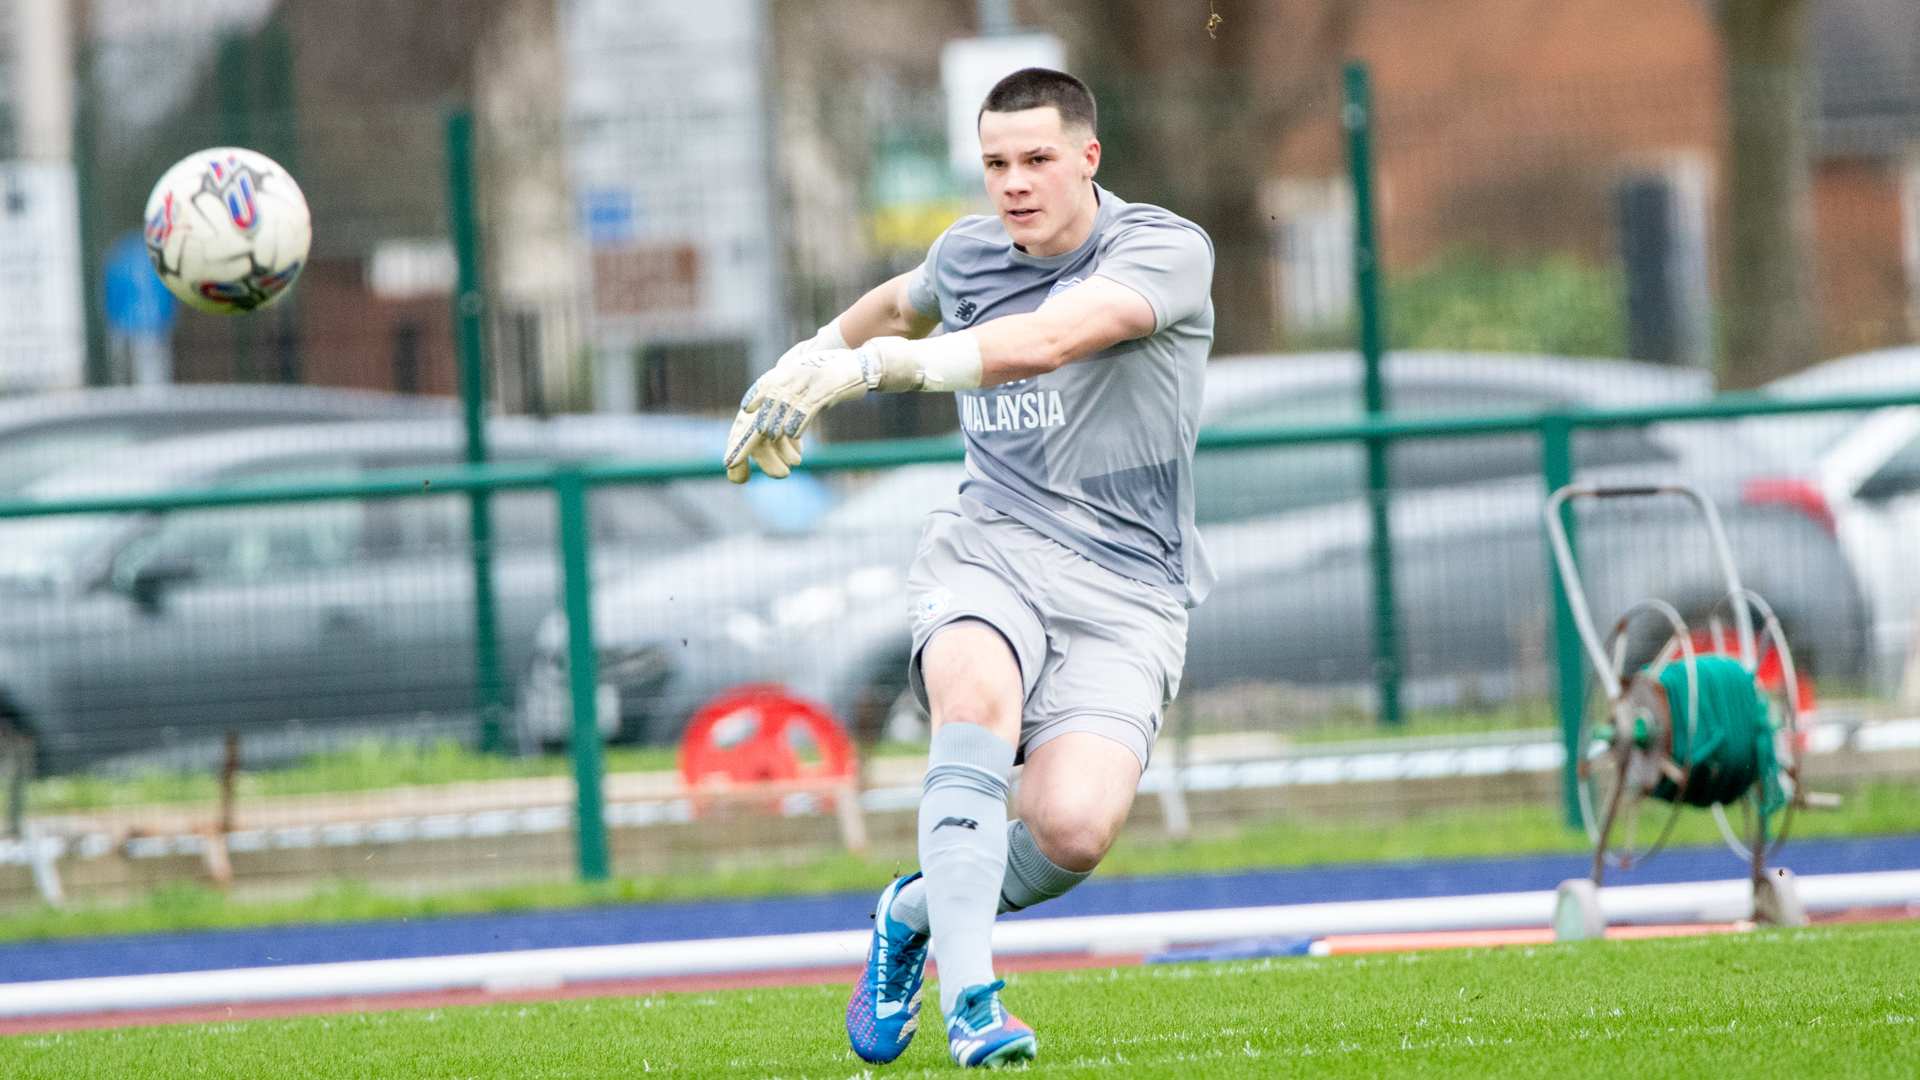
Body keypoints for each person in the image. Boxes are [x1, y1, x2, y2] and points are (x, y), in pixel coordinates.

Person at [725, 66, 1215, 1069]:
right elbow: (902, 302)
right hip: (988, 546)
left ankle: (912, 911)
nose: (1014, 183)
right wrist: (803, 362)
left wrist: (876, 370)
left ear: (1088, 157)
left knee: (1073, 828)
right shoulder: (968, 252)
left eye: (1037, 159)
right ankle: (975, 1001)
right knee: (974, 701)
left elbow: (1051, 338)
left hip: (1128, 585)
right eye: (995, 163)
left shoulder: (1163, 250)